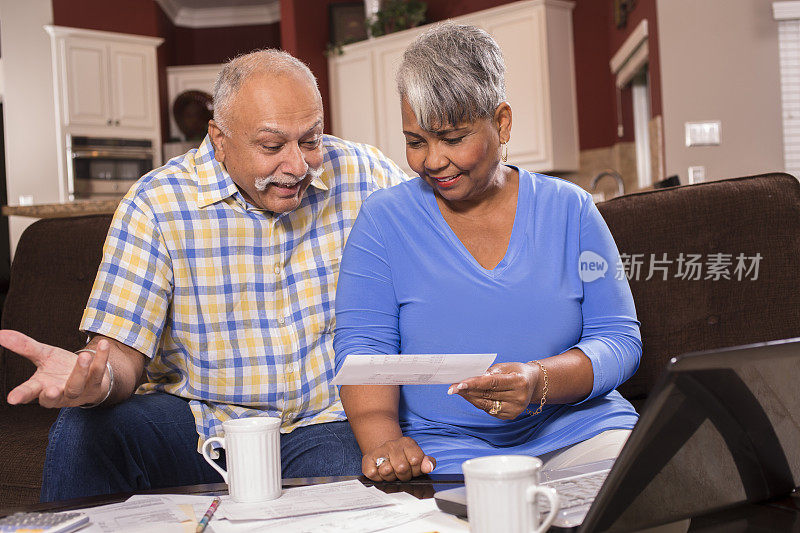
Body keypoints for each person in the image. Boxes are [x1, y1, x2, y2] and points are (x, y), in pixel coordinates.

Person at [1, 49, 407, 501]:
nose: (298, 166)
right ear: (219, 139)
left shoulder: (366, 174)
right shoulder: (155, 203)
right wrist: (98, 379)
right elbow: (120, 350)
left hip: (326, 424)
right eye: (272, 146)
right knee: (86, 429)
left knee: (367, 496)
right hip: (198, 422)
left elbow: (439, 247)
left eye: (310, 139)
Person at [333, 23, 641, 482]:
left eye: (453, 138)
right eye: (416, 142)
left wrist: (540, 381)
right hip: (444, 450)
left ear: (501, 123)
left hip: (583, 432)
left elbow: (619, 339)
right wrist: (383, 440)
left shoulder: (570, 208)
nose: (432, 161)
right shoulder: (383, 221)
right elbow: (365, 348)